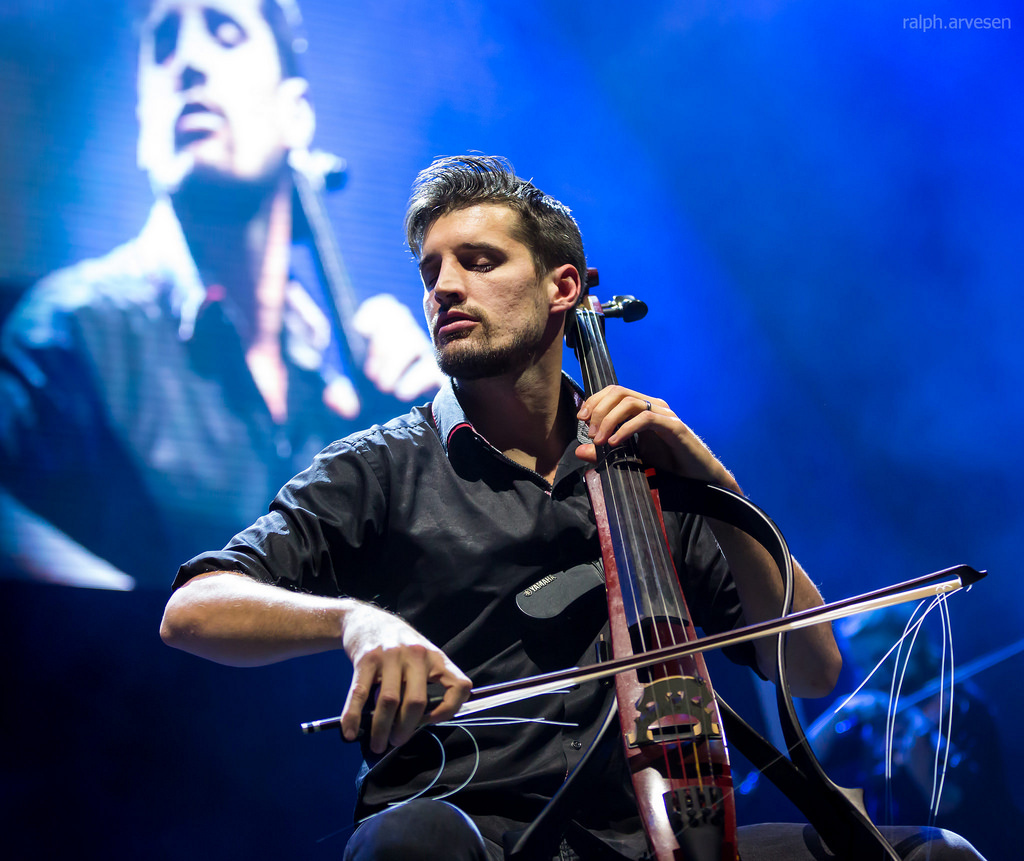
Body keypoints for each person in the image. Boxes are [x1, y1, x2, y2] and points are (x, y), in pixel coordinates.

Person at [160, 155, 985, 860]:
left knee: (936, 856)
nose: (444, 286)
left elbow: (813, 667)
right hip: (480, 832)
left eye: (478, 261)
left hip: (663, 833)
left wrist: (713, 485)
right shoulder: (380, 467)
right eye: (430, 271)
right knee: (406, 846)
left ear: (564, 288)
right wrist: (355, 622)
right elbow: (192, 608)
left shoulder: (651, 474)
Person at [0, 0, 442, 589]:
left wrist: (438, 426)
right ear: (143, 126)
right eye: (162, 44)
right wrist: (150, 623)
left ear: (297, 116)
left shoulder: (329, 384)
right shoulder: (70, 329)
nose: (186, 62)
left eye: (224, 32)